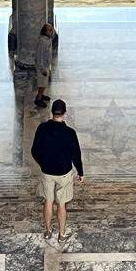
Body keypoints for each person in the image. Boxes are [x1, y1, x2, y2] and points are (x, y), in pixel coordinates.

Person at [30, 99, 84, 242]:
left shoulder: (42, 128)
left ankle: (47, 231)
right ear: (64, 113)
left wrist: (43, 163)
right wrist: (80, 172)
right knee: (62, 204)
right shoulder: (70, 133)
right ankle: (61, 234)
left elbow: (34, 150)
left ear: (51, 112)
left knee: (48, 201)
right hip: (64, 173)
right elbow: (76, 154)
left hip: (47, 172)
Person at [34, 23, 57, 108]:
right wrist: (42, 68)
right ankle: (38, 99)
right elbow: (39, 56)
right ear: (45, 31)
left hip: (46, 65)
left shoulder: (48, 40)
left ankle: (41, 94)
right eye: (49, 30)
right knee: (42, 83)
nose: (51, 32)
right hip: (42, 66)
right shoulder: (42, 41)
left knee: (44, 82)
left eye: (52, 30)